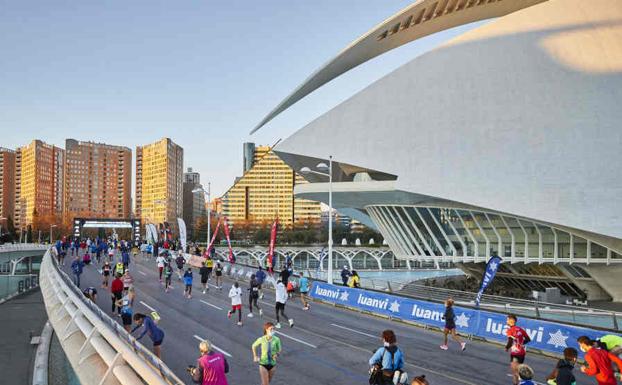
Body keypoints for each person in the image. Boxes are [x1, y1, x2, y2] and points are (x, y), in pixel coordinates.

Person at [506, 314, 531, 385]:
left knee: (515, 373)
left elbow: (510, 341)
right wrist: (521, 344)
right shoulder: (520, 329)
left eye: (507, 319)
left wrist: (507, 347)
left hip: (515, 353)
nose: (506, 321)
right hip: (522, 353)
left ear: (511, 321)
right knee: (519, 371)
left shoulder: (510, 330)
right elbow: (528, 339)